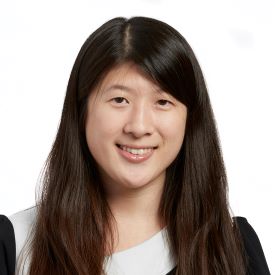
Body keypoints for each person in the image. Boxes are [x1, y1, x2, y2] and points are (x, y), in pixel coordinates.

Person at [0, 16, 271, 275]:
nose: (139, 127)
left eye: (163, 102)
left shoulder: (232, 248)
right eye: (120, 100)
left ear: (190, 119)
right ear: (82, 112)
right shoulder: (18, 244)